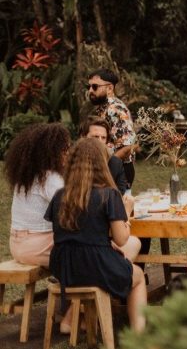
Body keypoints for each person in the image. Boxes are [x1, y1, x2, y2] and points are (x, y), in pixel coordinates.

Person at [45, 138, 146, 334]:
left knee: (119, 260)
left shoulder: (60, 195)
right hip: (95, 265)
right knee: (139, 276)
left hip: (64, 267)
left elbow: (70, 231)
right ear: (102, 164)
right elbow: (122, 239)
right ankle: (139, 337)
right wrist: (126, 211)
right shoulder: (109, 194)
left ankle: (81, 318)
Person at [6, 123, 71, 267]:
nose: (67, 153)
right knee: (86, 251)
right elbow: (72, 208)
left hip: (17, 245)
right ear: (51, 152)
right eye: (64, 149)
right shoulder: (50, 178)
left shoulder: (26, 177)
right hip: (37, 247)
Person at [87, 69, 137, 188]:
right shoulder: (104, 108)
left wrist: (105, 166)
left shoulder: (115, 109)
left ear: (109, 88)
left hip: (118, 170)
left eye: (95, 87)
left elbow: (128, 147)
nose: (90, 91)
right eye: (88, 86)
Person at [80, 117, 128, 194]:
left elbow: (120, 194)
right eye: (95, 137)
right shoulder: (73, 163)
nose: (100, 142)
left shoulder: (115, 164)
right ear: (83, 137)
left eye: (103, 138)